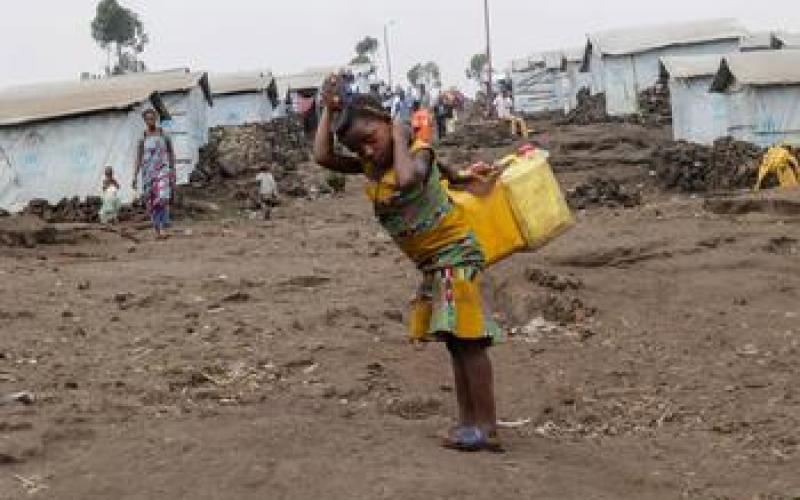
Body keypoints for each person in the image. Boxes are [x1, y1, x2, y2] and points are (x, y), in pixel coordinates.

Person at [313, 80, 503, 452]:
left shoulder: (416, 153)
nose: (366, 149)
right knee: (455, 343)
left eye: (371, 137)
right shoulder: (373, 166)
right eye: (356, 147)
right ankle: (468, 422)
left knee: (470, 343)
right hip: (435, 264)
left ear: (387, 122)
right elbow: (322, 157)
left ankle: (488, 427)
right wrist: (328, 110)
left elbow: (409, 177)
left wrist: (400, 136)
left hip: (455, 254)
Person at [132, 109, 176, 239]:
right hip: (148, 173)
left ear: (156, 118)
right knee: (151, 201)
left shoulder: (164, 134)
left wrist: (173, 170)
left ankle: (163, 227)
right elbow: (139, 158)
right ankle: (157, 227)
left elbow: (171, 153)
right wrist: (134, 175)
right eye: (147, 119)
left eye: (152, 118)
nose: (150, 121)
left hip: (162, 171)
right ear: (144, 121)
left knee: (162, 198)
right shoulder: (142, 137)